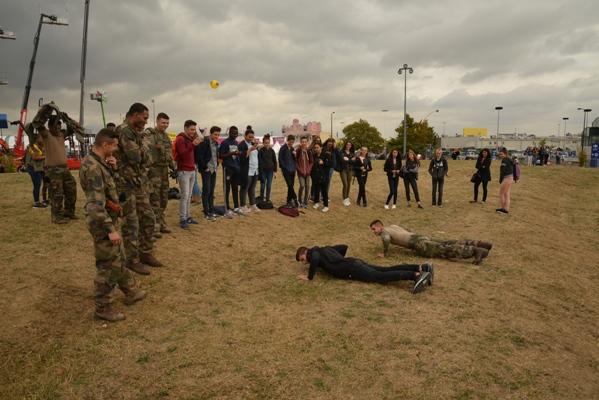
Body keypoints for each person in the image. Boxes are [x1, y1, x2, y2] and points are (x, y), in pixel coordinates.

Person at [79, 128, 147, 322]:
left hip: (108, 217)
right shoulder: (92, 167)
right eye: (114, 146)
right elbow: (94, 204)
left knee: (118, 257)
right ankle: (102, 307)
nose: (116, 149)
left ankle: (131, 291)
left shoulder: (101, 163)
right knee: (107, 265)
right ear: (105, 145)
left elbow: (112, 190)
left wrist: (114, 169)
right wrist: (110, 230)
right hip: (101, 222)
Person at [114, 103, 162, 275]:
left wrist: (143, 152)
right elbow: (135, 157)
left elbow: (148, 159)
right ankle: (132, 260)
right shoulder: (125, 131)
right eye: (144, 117)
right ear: (134, 115)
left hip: (138, 183)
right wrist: (144, 151)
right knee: (131, 224)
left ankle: (146, 253)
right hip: (125, 184)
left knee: (148, 218)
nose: (146, 121)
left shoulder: (136, 133)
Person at [295, 245, 433, 294]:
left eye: (302, 259)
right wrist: (336, 261)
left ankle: (415, 275)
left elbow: (314, 259)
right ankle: (421, 267)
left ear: (305, 252)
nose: (305, 262)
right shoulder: (324, 249)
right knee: (385, 269)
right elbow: (343, 247)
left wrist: (309, 277)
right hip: (353, 262)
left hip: (352, 268)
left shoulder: (314, 253)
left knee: (380, 276)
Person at [369, 220, 492, 265]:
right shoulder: (393, 226)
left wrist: (384, 253)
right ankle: (478, 243)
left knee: (444, 249)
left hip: (418, 244)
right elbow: (407, 230)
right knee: (447, 241)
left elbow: (386, 239)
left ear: (380, 226)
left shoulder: (384, 232)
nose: (373, 232)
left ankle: (475, 251)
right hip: (419, 236)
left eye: (374, 229)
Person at [37, 115, 78, 223]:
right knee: (57, 194)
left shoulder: (61, 135)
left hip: (65, 169)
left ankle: (69, 211)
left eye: (60, 126)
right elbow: (38, 124)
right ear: (50, 126)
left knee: (71, 189)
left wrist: (66, 118)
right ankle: (57, 216)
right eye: (56, 126)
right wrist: (46, 112)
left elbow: (72, 128)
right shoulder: (46, 135)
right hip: (53, 170)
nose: (58, 128)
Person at [145, 112, 176, 236]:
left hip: (164, 171)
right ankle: (154, 227)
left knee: (164, 198)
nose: (165, 125)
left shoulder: (166, 137)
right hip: (153, 171)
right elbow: (145, 150)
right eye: (163, 122)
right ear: (157, 122)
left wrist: (174, 168)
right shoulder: (149, 134)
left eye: (167, 123)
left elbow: (169, 155)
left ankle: (161, 223)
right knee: (154, 199)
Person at [175, 120, 201, 228]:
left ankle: (188, 216)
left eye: (194, 129)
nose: (193, 131)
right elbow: (182, 154)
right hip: (184, 171)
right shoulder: (180, 139)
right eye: (191, 129)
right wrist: (193, 144)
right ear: (185, 128)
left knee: (189, 195)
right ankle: (182, 219)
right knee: (185, 196)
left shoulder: (190, 139)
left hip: (191, 170)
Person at [196, 126, 221, 221]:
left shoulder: (216, 143)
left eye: (218, 134)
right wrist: (204, 167)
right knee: (206, 190)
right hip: (206, 170)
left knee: (211, 191)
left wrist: (217, 165)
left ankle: (211, 210)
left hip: (214, 169)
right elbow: (199, 156)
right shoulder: (205, 142)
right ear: (211, 133)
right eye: (215, 134)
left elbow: (215, 155)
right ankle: (206, 212)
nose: (217, 136)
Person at [219, 126, 243, 215]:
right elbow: (221, 156)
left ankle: (236, 207)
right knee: (227, 189)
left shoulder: (236, 142)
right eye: (233, 133)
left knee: (235, 188)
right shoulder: (224, 143)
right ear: (229, 133)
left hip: (236, 168)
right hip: (228, 169)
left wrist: (238, 154)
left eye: (236, 133)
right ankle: (227, 207)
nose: (235, 135)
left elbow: (236, 155)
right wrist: (231, 153)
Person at [238, 126, 261, 213]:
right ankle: (243, 206)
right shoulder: (242, 145)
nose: (251, 138)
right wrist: (249, 150)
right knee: (245, 187)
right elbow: (242, 158)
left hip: (255, 170)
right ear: (245, 136)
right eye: (249, 137)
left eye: (252, 137)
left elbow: (257, 157)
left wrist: (254, 148)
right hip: (246, 170)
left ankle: (253, 204)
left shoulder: (253, 144)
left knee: (252, 188)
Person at [25, 135, 47, 208]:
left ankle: (42, 200)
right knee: (37, 185)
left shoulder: (39, 146)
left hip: (37, 168)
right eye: (41, 137)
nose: (43, 139)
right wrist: (45, 156)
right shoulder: (33, 146)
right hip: (33, 168)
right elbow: (35, 157)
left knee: (39, 184)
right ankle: (36, 202)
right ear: (37, 139)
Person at [311, 142, 331, 212]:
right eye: (315, 148)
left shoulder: (326, 155)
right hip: (316, 175)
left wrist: (324, 163)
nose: (316, 149)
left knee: (324, 191)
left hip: (324, 176)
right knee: (316, 190)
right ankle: (316, 202)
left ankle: (326, 206)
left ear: (321, 148)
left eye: (317, 147)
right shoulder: (314, 155)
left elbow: (330, 164)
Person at [278, 134, 298, 207]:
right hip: (286, 170)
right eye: (290, 141)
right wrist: (284, 167)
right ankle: (295, 198)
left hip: (292, 170)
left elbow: (295, 159)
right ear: (287, 141)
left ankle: (289, 201)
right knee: (289, 184)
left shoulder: (292, 148)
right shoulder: (283, 148)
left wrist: (295, 156)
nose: (291, 143)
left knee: (291, 186)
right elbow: (280, 159)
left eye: (293, 142)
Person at [295, 136, 313, 208]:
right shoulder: (298, 151)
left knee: (307, 187)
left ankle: (305, 202)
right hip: (301, 173)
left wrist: (309, 170)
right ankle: (299, 200)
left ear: (307, 142)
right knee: (302, 186)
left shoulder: (308, 151)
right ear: (300, 142)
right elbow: (295, 162)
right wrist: (300, 170)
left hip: (308, 173)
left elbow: (311, 162)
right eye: (302, 142)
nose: (304, 143)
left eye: (305, 142)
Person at [258, 134, 277, 203]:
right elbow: (259, 162)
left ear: (269, 143)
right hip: (263, 171)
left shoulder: (272, 151)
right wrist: (260, 171)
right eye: (265, 143)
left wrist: (275, 171)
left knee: (269, 186)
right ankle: (261, 199)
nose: (267, 144)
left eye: (268, 143)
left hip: (270, 172)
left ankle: (267, 199)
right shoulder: (260, 151)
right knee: (262, 186)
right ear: (263, 143)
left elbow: (275, 161)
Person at [496, 147, 514, 214]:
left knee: (501, 193)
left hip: (507, 178)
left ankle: (503, 208)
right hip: (510, 178)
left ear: (505, 154)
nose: (500, 156)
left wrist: (500, 180)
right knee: (506, 194)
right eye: (500, 154)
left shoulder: (505, 160)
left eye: (502, 154)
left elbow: (503, 172)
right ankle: (506, 209)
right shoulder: (510, 159)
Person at [338, 140, 355, 206]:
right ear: (345, 145)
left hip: (350, 170)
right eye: (347, 144)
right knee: (345, 184)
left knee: (349, 184)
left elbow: (354, 162)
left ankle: (347, 197)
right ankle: (344, 198)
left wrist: (348, 160)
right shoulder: (341, 152)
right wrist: (350, 160)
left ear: (351, 146)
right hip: (343, 170)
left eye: (350, 145)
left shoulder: (352, 153)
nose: (348, 146)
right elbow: (342, 160)